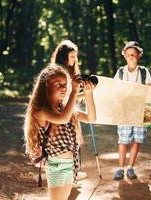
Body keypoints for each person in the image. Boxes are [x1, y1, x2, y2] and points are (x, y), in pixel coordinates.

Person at [23, 64, 96, 200]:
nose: (63, 88)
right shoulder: (40, 111)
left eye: (65, 84)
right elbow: (63, 119)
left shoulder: (64, 108)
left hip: (70, 164)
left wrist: (88, 94)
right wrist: (74, 92)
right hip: (55, 165)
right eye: (58, 84)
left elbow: (91, 118)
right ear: (47, 87)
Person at [113, 41, 151, 180]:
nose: (131, 57)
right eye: (128, 54)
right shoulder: (120, 72)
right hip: (124, 111)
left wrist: (150, 114)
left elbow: (150, 90)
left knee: (137, 139)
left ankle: (130, 167)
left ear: (139, 56)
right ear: (124, 55)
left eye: (134, 54)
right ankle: (120, 168)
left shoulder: (144, 71)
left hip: (141, 110)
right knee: (123, 140)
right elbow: (115, 90)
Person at [51, 40, 88, 182]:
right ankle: (71, 176)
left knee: (76, 142)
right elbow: (63, 97)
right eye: (72, 56)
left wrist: (87, 93)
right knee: (71, 142)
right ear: (63, 56)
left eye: (75, 56)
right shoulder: (59, 72)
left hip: (69, 110)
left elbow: (70, 96)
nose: (74, 59)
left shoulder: (67, 71)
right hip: (62, 113)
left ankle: (74, 174)